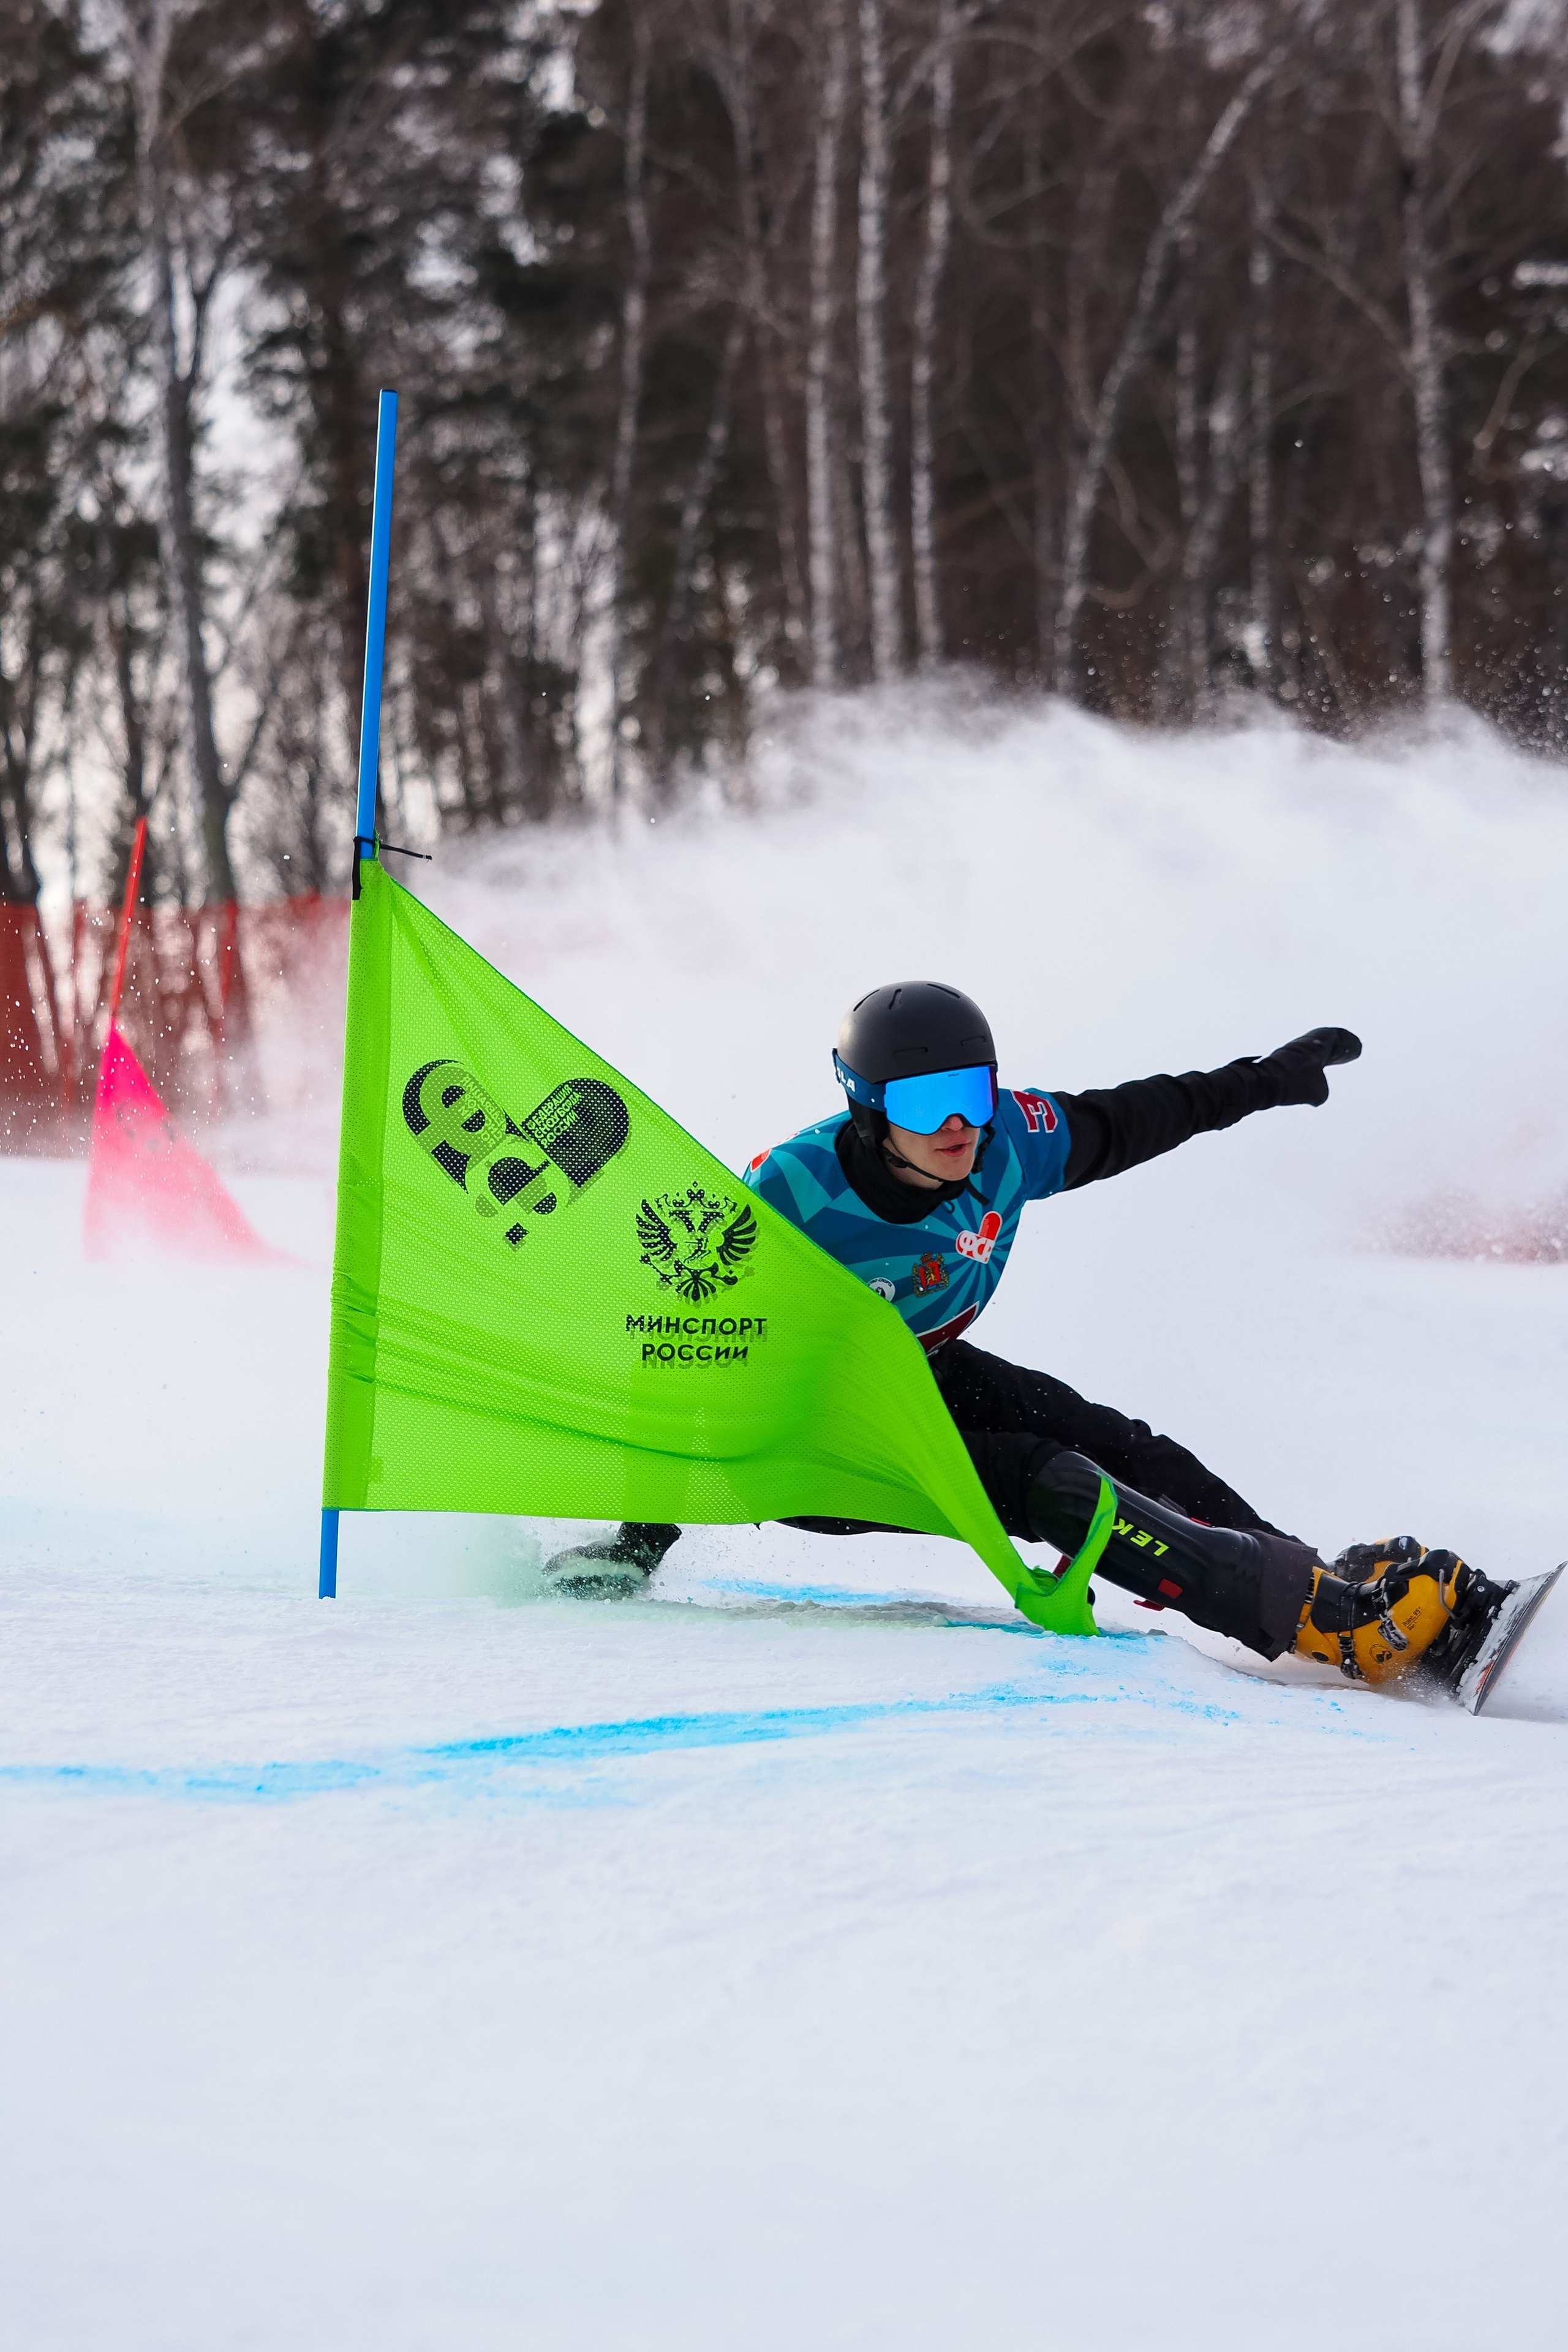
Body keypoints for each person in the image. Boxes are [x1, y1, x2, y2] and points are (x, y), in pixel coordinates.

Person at [547, 981, 1513, 1697]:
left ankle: (1311, 1580)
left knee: (1117, 1444)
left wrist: (1262, 1081)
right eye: (926, 1103)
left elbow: (1136, 1117)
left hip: (902, 1371)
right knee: (1049, 1480)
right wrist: (642, 1535)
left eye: (973, 1088)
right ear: (867, 1105)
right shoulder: (789, 1200)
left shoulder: (1008, 1139)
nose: (959, 1122)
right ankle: (1325, 1625)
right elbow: (673, 1348)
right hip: (798, 1443)